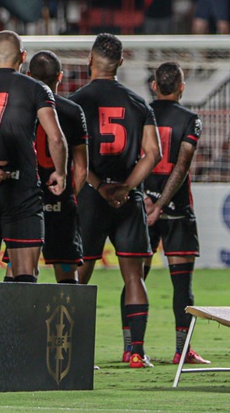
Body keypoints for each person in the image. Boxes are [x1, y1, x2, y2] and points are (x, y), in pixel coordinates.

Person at [70, 33, 160, 368]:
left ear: (89, 60)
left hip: (90, 198)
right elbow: (154, 154)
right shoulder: (138, 104)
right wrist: (125, 187)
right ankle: (136, 351)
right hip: (128, 200)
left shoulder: (76, 101)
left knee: (80, 275)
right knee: (133, 277)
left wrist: (99, 186)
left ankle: (76, 353)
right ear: (121, 62)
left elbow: (70, 157)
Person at [0, 31, 66, 284]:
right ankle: (16, 325)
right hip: (21, 190)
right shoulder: (36, 88)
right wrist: (60, 172)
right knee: (24, 275)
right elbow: (55, 138)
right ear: (23, 56)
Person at [144, 61, 209, 366]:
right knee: (182, 285)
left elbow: (131, 157)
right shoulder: (191, 119)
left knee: (135, 279)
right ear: (182, 88)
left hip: (141, 208)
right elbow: (181, 166)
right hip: (177, 211)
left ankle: (133, 348)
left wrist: (144, 198)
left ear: (154, 86)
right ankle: (182, 350)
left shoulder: (139, 114)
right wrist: (162, 204)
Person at [26, 50, 88, 283]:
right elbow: (81, 168)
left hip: (26, 203)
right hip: (61, 201)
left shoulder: (21, 109)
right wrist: (68, 195)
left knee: (20, 269)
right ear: (60, 76)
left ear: (29, 75)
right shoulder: (73, 111)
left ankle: (19, 319)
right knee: (66, 273)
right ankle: (67, 320)